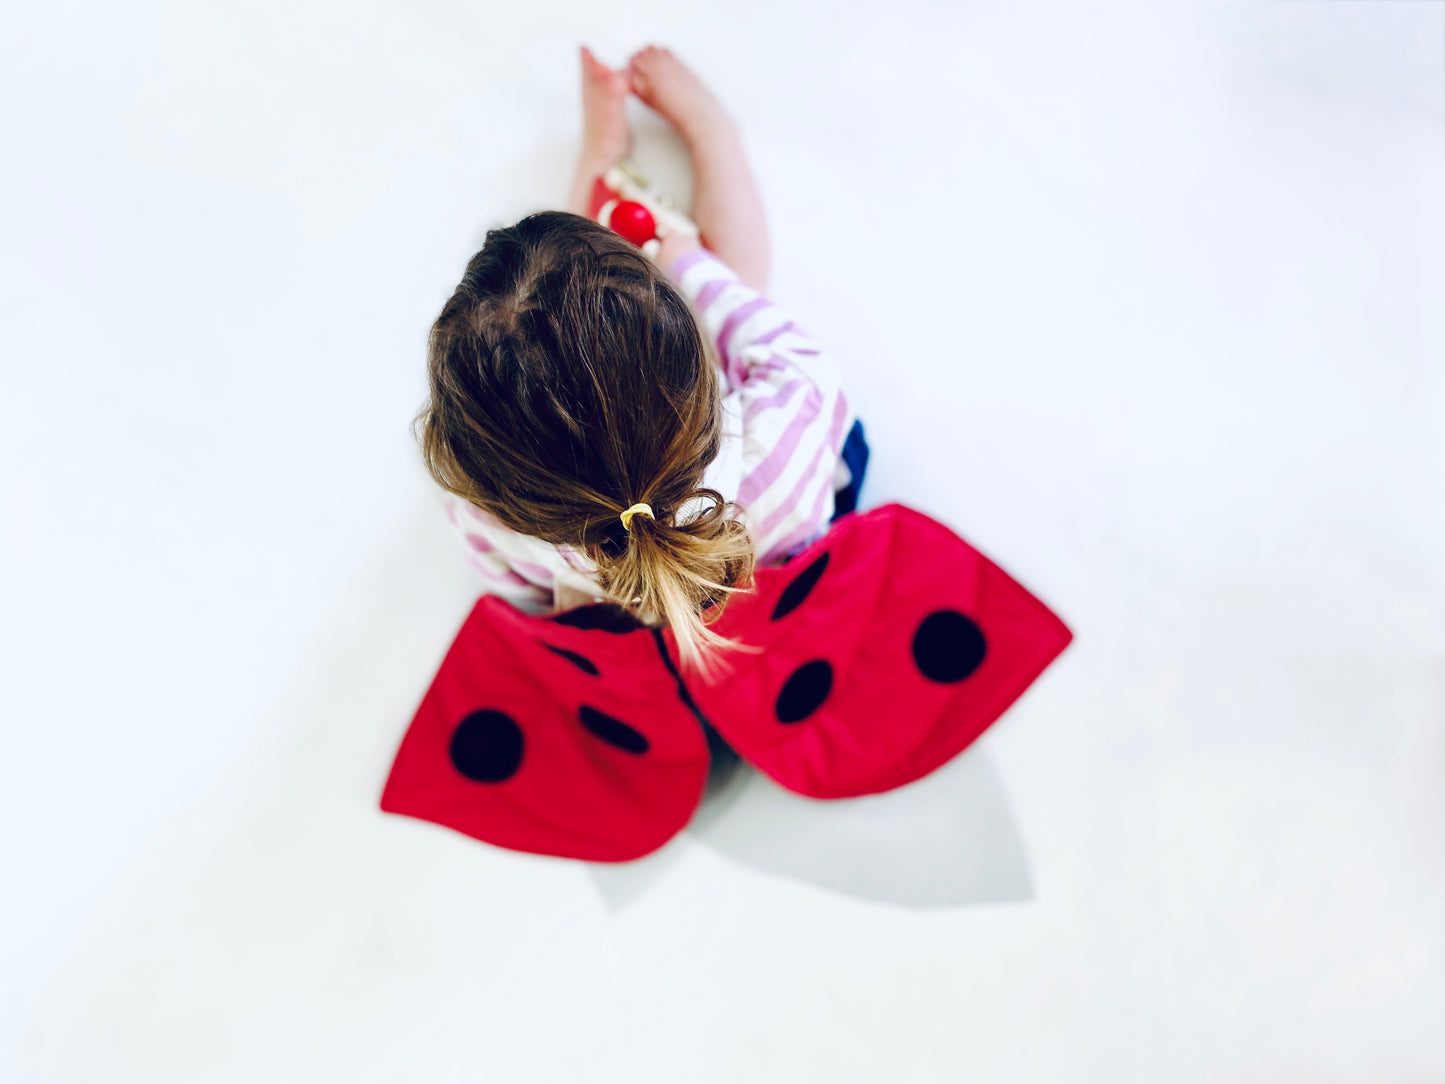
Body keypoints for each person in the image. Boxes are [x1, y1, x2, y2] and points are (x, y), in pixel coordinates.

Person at [415, 45, 867, 677]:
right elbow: (791, 351)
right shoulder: (787, 412)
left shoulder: (490, 523)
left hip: (645, 599)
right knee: (744, 286)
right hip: (776, 555)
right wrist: (686, 259)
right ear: (697, 366)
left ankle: (602, 158)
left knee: (548, 325)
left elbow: (523, 592)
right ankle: (712, 132)